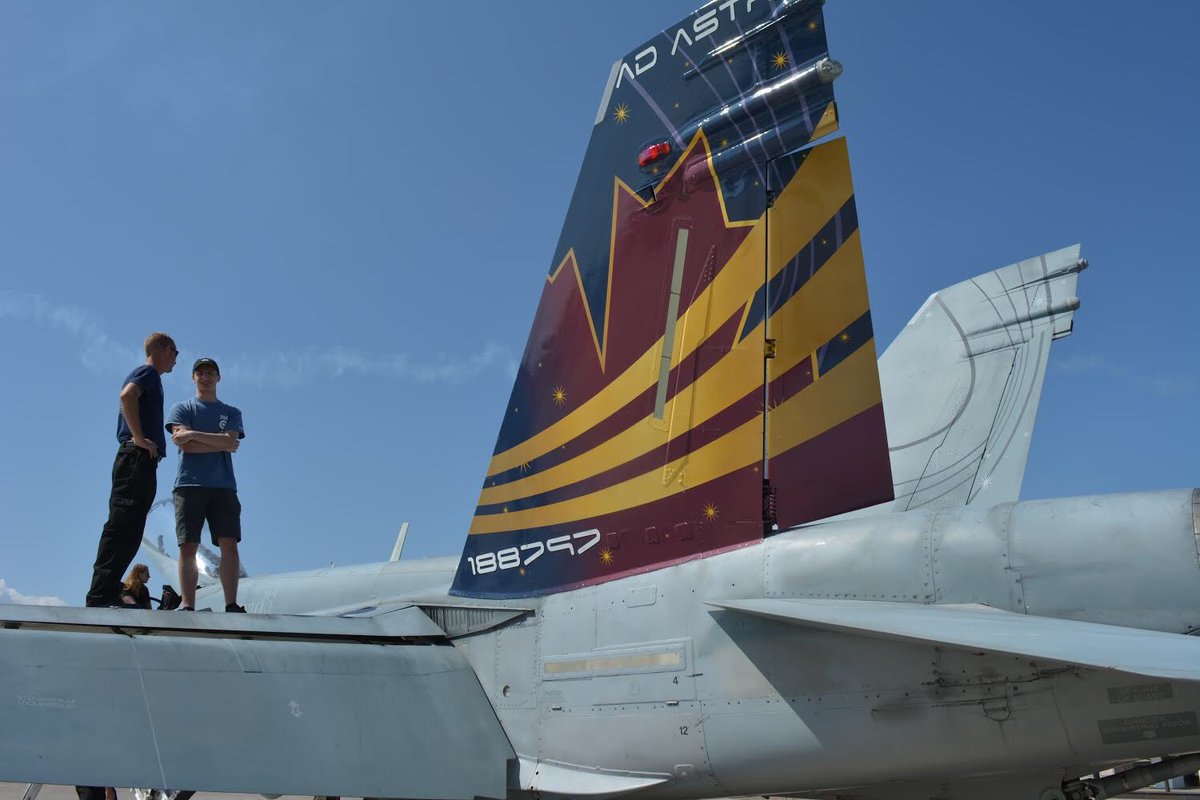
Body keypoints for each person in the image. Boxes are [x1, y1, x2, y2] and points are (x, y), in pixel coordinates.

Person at [85, 332, 177, 608]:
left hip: (143, 463)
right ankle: (100, 593)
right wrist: (138, 437)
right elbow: (127, 396)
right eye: (175, 352)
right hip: (135, 458)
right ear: (164, 349)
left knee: (132, 528)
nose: (176, 359)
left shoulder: (154, 380)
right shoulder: (147, 373)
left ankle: (110, 587)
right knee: (122, 526)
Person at [166, 357, 246, 612]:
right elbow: (183, 443)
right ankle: (187, 604)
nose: (205, 376)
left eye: (210, 372)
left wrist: (193, 435)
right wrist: (215, 441)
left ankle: (231, 603)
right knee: (188, 545)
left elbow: (230, 444)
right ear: (193, 377)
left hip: (223, 486)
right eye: (200, 372)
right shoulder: (182, 408)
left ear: (218, 378)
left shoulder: (231, 412)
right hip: (189, 484)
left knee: (228, 543)